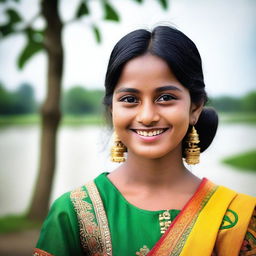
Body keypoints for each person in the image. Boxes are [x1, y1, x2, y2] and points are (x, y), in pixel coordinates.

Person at [33, 26, 256, 256]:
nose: (147, 116)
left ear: (195, 108)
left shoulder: (238, 218)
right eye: (130, 99)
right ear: (112, 110)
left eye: (166, 98)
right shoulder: (73, 213)